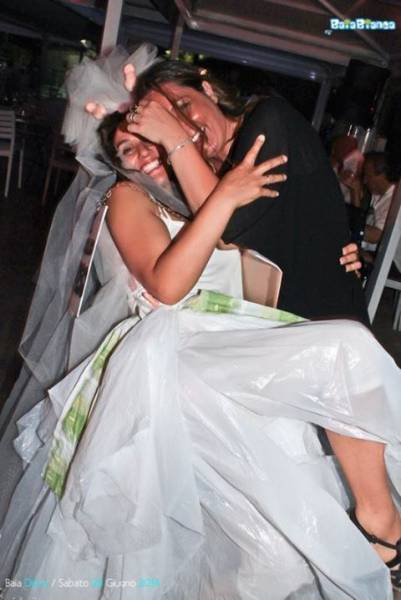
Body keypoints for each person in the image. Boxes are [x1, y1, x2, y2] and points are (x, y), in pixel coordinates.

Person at [2, 92, 401, 600]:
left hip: (237, 353)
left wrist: (341, 251)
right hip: (177, 361)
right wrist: (224, 199)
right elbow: (168, 286)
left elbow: (283, 242)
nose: (144, 154)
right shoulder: (127, 198)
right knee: (346, 353)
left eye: (147, 140)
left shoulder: (205, 185)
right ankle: (383, 532)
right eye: (127, 150)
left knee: (269, 548)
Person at [126, 61, 369, 323]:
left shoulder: (270, 118)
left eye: (184, 105)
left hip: (324, 318)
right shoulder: (198, 175)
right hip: (267, 324)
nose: (184, 127)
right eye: (168, 123)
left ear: (209, 91)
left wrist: (174, 139)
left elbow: (226, 225)